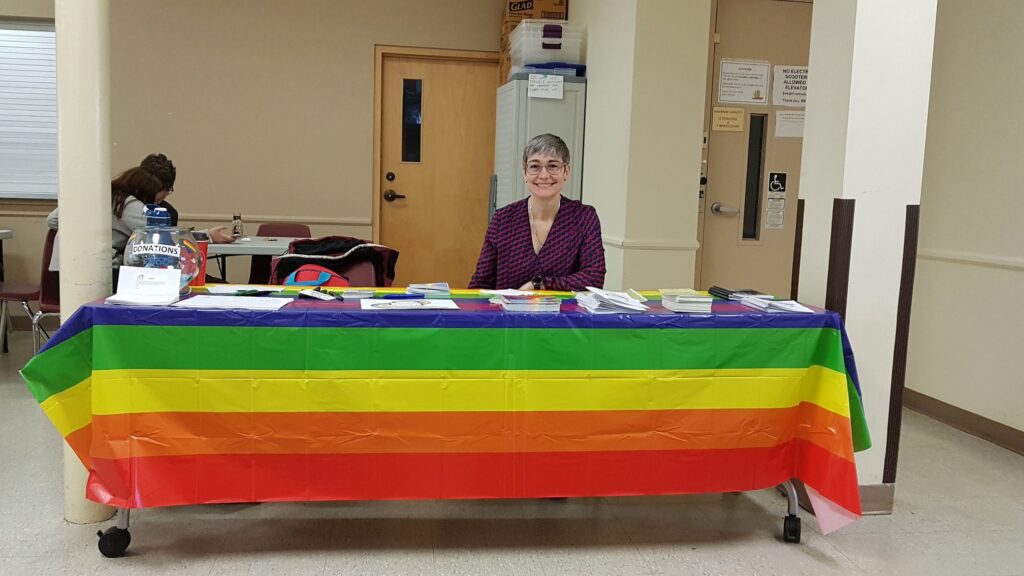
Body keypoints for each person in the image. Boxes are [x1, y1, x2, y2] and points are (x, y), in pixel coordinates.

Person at [469, 133, 605, 291]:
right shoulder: (503, 219)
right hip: (509, 315)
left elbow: (594, 277)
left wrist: (540, 284)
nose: (544, 175)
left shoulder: (584, 217)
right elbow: (481, 284)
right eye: (535, 166)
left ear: (566, 171)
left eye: (553, 166)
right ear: (525, 173)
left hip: (565, 315)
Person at [46, 167, 165, 269]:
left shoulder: (92, 193)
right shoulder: (129, 204)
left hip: (60, 267)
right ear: (144, 192)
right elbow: (155, 237)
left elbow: (52, 220)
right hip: (96, 269)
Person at [139, 153, 234, 243]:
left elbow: (171, 241)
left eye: (166, 189)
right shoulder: (129, 203)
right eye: (156, 188)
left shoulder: (169, 213)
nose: (159, 195)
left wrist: (207, 235)